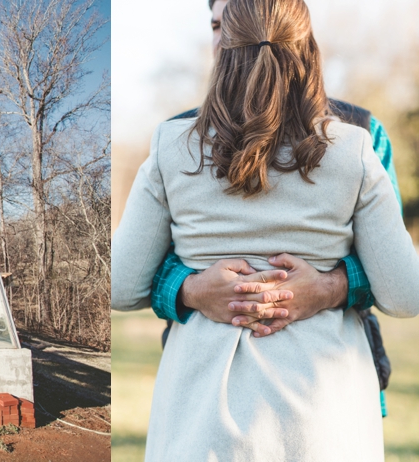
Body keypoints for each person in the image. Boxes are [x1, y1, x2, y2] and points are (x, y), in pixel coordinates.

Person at [112, 0, 419, 459]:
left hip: (202, 417)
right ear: (308, 48)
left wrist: (331, 286)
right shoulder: (352, 149)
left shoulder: (173, 145)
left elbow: (120, 285)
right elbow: (405, 292)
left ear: (226, 48)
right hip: (322, 417)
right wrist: (192, 289)